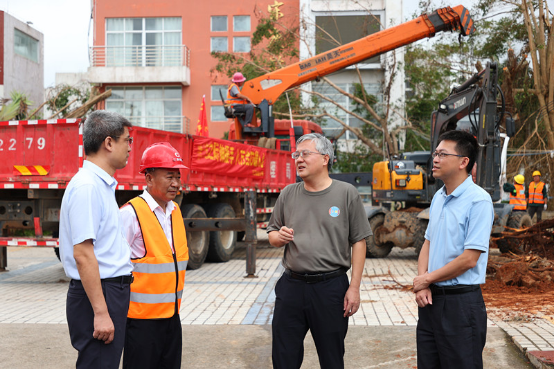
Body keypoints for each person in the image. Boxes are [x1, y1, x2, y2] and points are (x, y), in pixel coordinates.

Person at [267, 133, 372, 369]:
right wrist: (279, 237)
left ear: (325, 158)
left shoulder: (346, 194)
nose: (299, 159)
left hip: (330, 289)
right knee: (284, 357)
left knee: (332, 357)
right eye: (296, 154)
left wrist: (353, 288)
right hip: (291, 286)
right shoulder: (288, 194)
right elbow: (272, 235)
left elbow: (359, 241)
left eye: (305, 154)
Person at [59, 110, 134, 369]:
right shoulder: (88, 187)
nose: (130, 148)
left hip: (108, 291)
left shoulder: (101, 184)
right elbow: (83, 253)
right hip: (99, 294)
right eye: (128, 140)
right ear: (109, 142)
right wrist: (101, 313)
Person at [413, 130, 494, 369]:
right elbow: (428, 242)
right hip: (430, 303)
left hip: (461, 305)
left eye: (442, 154)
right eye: (435, 153)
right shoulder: (438, 197)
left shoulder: (478, 201)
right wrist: (424, 283)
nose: (435, 159)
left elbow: (469, 259)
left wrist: (426, 278)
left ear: (463, 162)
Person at [120, 142, 189, 369]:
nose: (176, 183)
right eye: (169, 176)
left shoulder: (175, 212)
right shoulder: (130, 214)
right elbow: (110, 267)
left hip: (172, 317)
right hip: (142, 322)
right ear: (149, 179)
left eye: (178, 176)